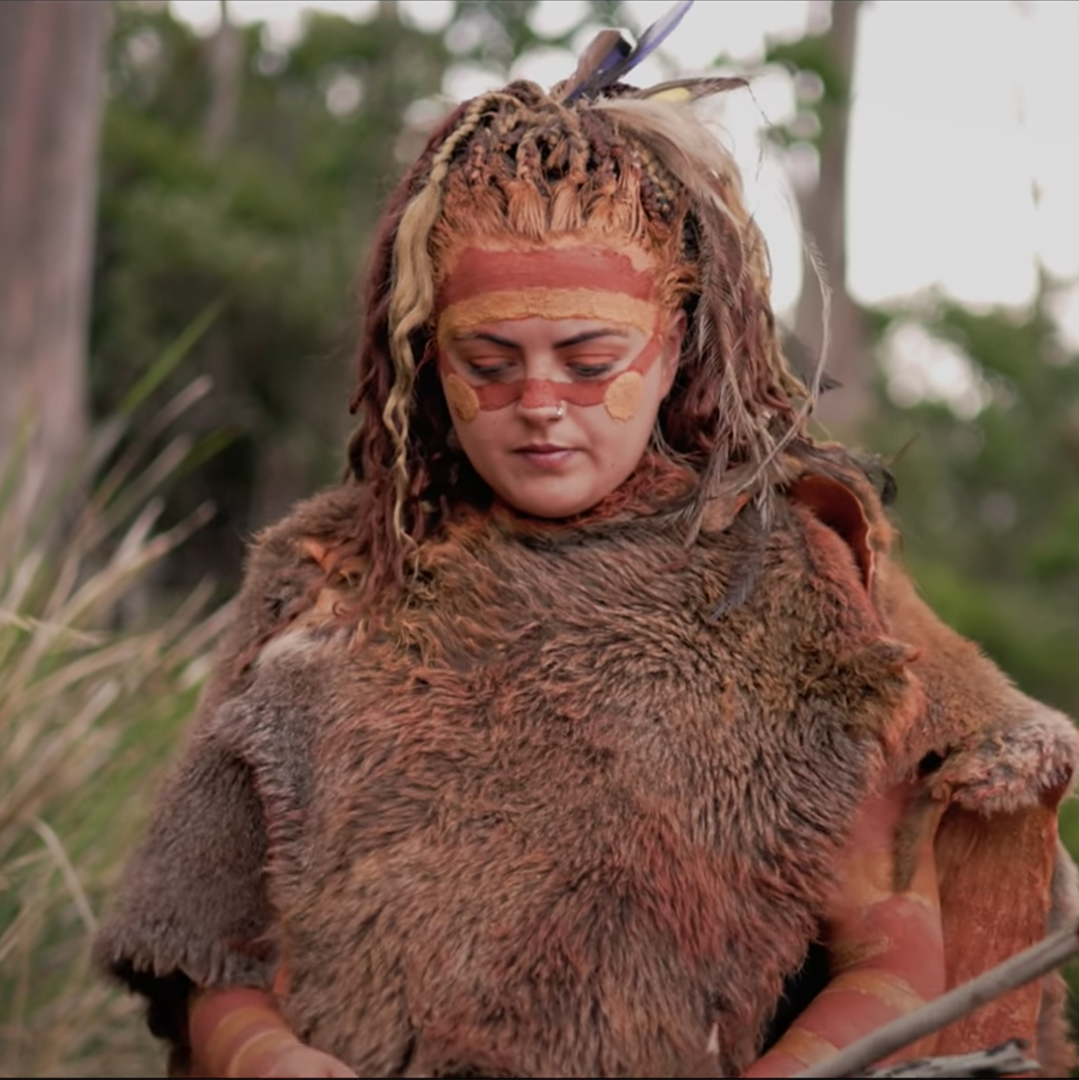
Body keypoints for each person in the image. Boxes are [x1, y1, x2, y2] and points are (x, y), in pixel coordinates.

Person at [94, 33, 1079, 1079]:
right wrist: (262, 1058)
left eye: (587, 359)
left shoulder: (782, 586)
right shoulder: (330, 577)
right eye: (490, 362)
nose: (539, 407)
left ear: (672, 348)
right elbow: (202, 945)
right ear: (432, 359)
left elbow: (891, 944)